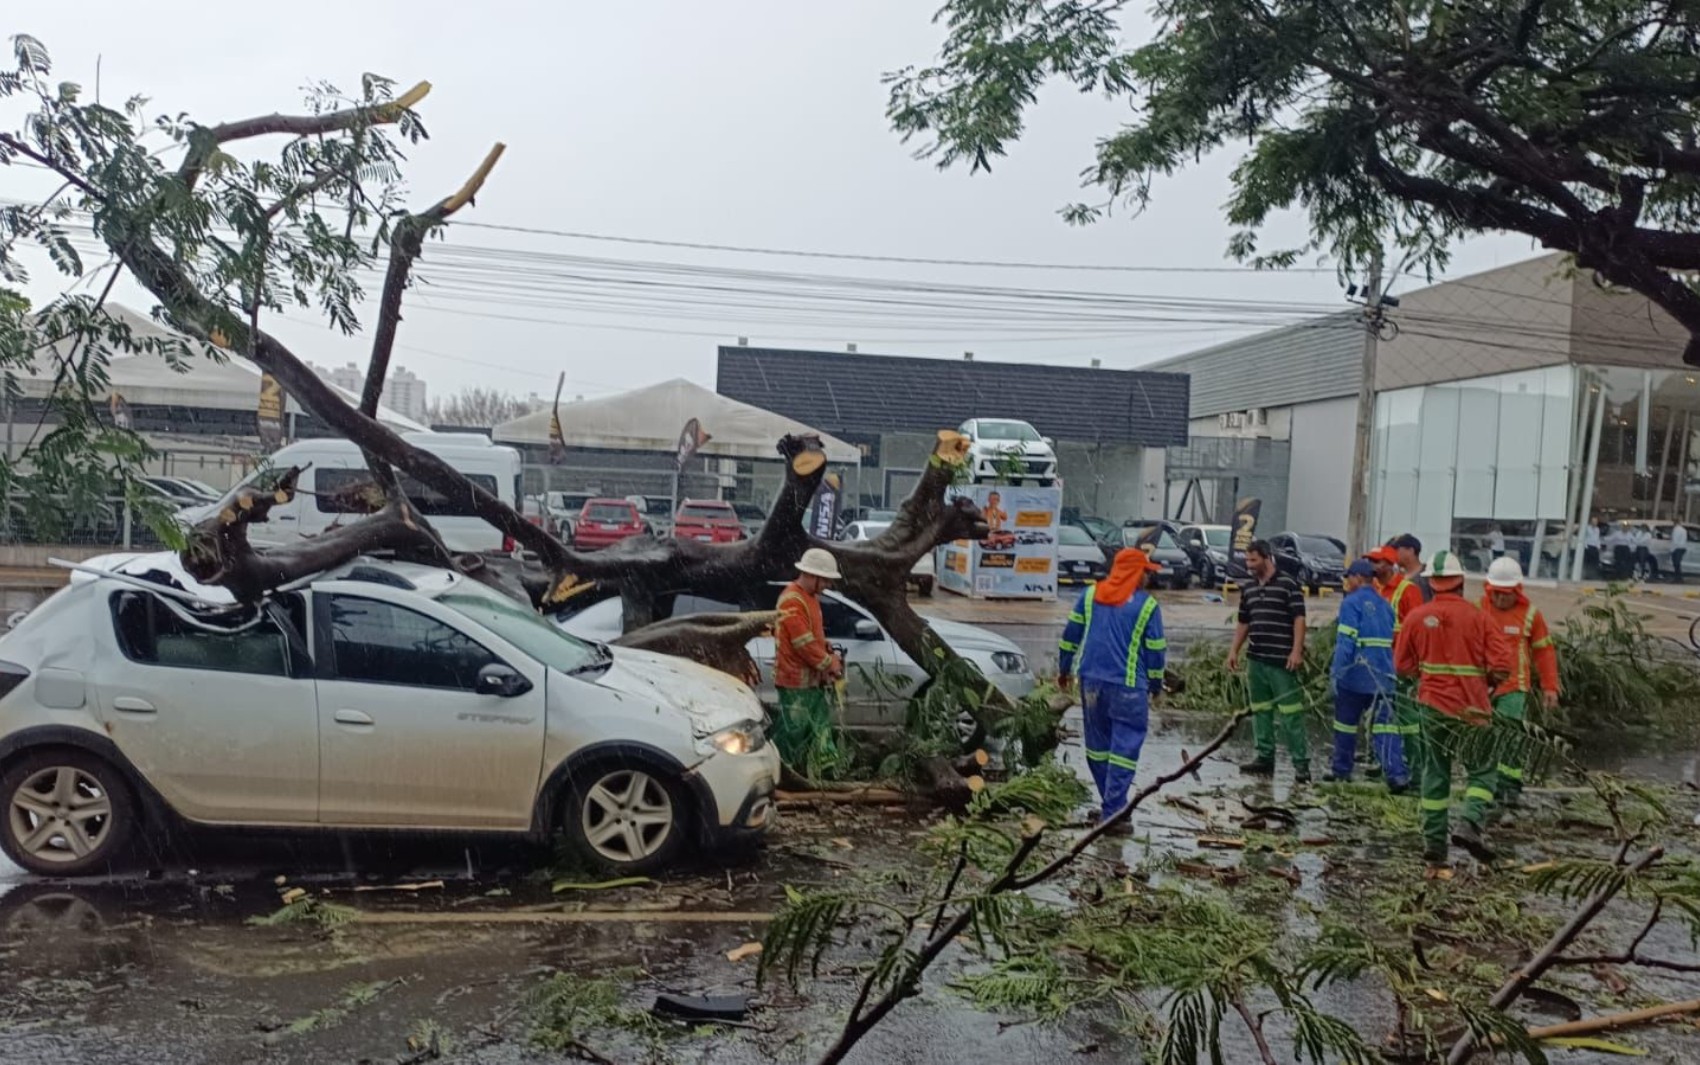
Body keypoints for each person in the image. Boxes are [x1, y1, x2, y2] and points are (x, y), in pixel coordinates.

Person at [1394, 549, 1511, 872]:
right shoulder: (1480, 617)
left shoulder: (1416, 618)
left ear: (1431, 584)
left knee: (1435, 771)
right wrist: (1486, 681)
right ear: (1461, 583)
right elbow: (1503, 665)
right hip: (1473, 708)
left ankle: (1434, 845)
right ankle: (1470, 822)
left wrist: (1429, 673)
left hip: (1431, 707)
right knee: (1483, 770)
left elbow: (1402, 666)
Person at [1058, 548, 1166, 828]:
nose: (1147, 578)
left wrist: (1063, 669)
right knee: (1124, 749)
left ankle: (1111, 805)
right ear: (1135, 572)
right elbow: (1155, 651)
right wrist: (1156, 684)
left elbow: (1070, 636)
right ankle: (1115, 811)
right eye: (1145, 572)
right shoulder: (1147, 605)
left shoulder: (1090, 595)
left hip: (1091, 683)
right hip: (1129, 687)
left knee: (1097, 747)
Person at [1479, 558, 1559, 808]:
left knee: (1511, 738)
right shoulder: (1478, 609)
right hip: (1481, 687)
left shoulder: (1530, 615)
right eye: (1497, 593)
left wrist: (1550, 686)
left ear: (1517, 591)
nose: (1501, 599)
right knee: (1484, 738)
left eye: (1507, 594)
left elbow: (1544, 652)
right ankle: (1485, 786)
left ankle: (1510, 787)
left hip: (1515, 688)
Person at [1228, 539, 1310, 781]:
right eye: (1247, 560)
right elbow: (1244, 621)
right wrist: (1234, 650)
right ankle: (1264, 757)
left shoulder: (1288, 584)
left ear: (1266, 557)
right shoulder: (1249, 588)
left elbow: (1299, 619)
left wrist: (1296, 651)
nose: (1249, 565)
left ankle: (1301, 765)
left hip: (1281, 661)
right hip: (1257, 660)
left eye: (1253, 560)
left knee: (1290, 713)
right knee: (1261, 710)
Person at [1329, 559, 1409, 790]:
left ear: (1357, 577)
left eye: (1348, 578)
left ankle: (1341, 771)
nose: (1347, 582)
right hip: (1383, 678)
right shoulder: (1385, 604)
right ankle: (1396, 774)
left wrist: (1336, 673)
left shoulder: (1350, 603)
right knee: (1385, 727)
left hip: (1354, 677)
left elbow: (1346, 642)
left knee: (1345, 725)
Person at [773, 548, 846, 773]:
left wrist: (827, 649)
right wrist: (829, 663)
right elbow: (803, 644)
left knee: (819, 728)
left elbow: (812, 637)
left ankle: (822, 773)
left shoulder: (809, 598)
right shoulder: (792, 601)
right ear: (812, 576)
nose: (827, 586)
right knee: (794, 731)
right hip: (795, 682)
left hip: (810, 682)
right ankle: (783, 772)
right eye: (825, 580)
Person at [1387, 533, 1433, 763]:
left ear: (1411, 551)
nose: (1395, 555)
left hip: (1418, 657)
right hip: (1399, 655)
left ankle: (1417, 760)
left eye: (1398, 549)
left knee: (1412, 712)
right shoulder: (1401, 580)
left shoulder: (1424, 580)